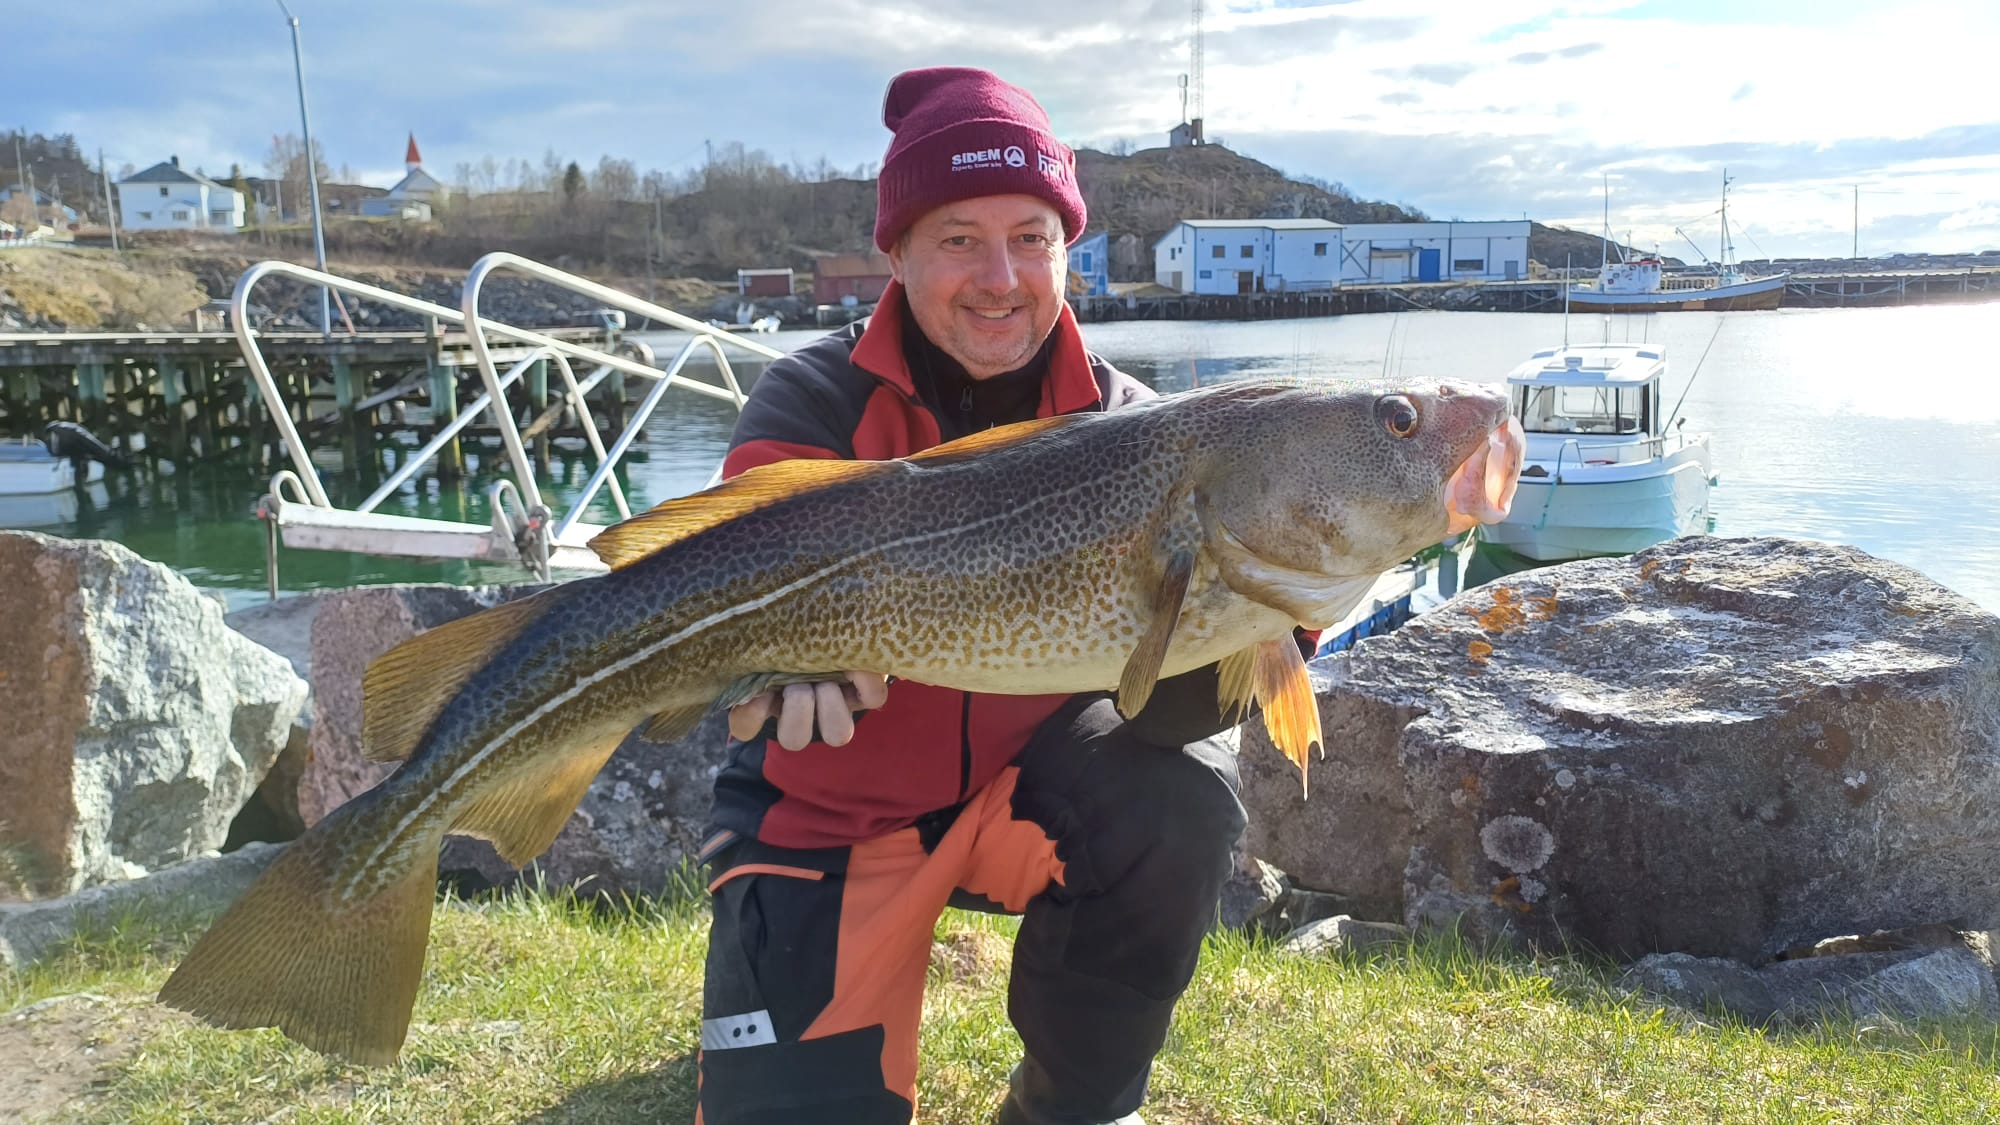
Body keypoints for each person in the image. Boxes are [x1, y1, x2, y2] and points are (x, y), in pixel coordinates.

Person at [694, 66, 1303, 1125]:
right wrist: (761, 672)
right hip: (830, 811)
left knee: (1179, 805)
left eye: (1031, 236)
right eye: (957, 238)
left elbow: (1163, 718)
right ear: (896, 254)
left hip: (1024, 799)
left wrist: (1273, 608)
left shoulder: (1142, 431)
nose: (1000, 276)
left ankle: (1071, 1106)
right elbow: (726, 580)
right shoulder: (813, 400)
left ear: (1067, 249)